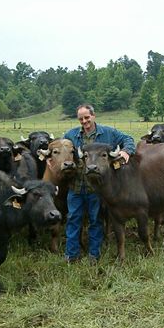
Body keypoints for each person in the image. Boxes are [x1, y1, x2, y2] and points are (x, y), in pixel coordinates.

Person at [63, 104, 136, 263]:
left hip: (97, 187)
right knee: (73, 219)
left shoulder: (108, 133)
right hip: (76, 184)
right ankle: (71, 254)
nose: (84, 121)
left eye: (87, 117)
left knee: (96, 220)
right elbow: (60, 148)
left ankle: (93, 255)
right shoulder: (71, 135)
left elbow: (128, 139)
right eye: (81, 119)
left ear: (93, 116)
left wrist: (126, 151)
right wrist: (50, 159)